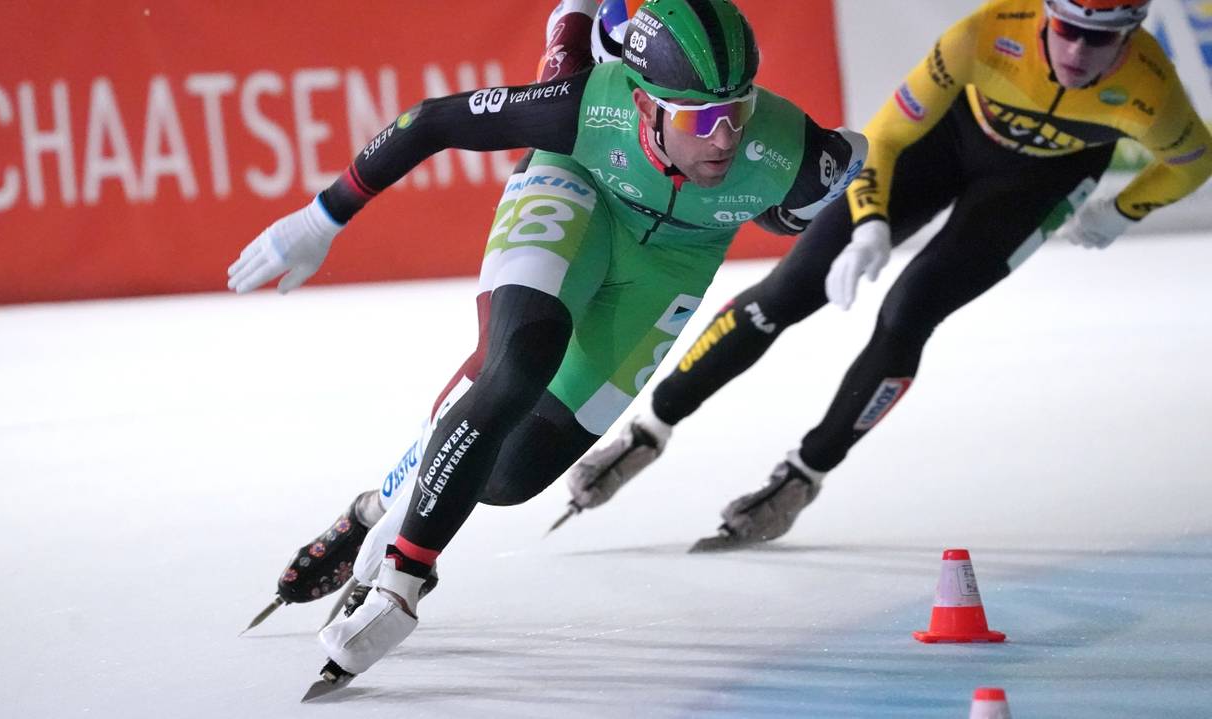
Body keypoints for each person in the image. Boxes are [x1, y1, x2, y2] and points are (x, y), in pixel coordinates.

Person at [227, 0, 867, 695]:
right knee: (516, 367)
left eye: (737, 112)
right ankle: (400, 580)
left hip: (670, 265)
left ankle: (378, 508)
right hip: (575, 186)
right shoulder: (585, 106)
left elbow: (780, 215)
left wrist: (824, 200)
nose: (724, 138)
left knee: (510, 476)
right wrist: (323, 216)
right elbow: (433, 121)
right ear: (644, 104)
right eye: (699, 119)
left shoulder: (798, 152)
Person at [560, 0, 1212, 552]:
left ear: (1132, 35)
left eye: (1101, 39)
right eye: (1068, 29)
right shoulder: (987, 33)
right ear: (1045, 15)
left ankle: (803, 475)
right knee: (789, 289)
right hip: (948, 141)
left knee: (911, 309)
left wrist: (1125, 209)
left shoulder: (1151, 90)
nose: (1077, 52)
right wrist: (870, 220)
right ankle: (648, 430)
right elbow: (886, 138)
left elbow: (1195, 160)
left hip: (1040, 183)